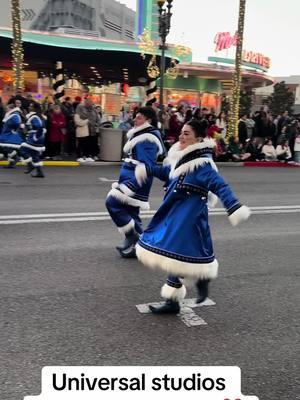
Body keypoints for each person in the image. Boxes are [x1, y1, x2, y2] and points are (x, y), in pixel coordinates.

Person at [134, 119, 251, 314]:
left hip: (190, 217)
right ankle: (173, 300)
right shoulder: (183, 158)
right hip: (174, 213)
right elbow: (169, 173)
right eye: (181, 132)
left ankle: (200, 279)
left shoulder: (202, 165)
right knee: (174, 253)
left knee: (175, 251)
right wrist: (148, 169)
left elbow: (220, 185)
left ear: (198, 139)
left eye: (187, 133)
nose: (181, 136)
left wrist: (234, 206)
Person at [105, 106, 164, 258]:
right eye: (135, 117)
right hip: (129, 177)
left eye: (139, 118)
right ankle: (140, 247)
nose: (135, 120)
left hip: (136, 180)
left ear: (148, 120)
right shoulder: (141, 133)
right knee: (131, 212)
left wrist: (134, 184)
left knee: (112, 202)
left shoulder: (148, 137)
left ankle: (133, 237)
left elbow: (147, 166)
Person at [21, 102, 46, 178]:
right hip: (38, 137)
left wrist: (35, 137)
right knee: (34, 154)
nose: (29, 107)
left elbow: (39, 127)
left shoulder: (34, 117)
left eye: (31, 106)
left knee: (22, 149)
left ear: (34, 108)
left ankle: (30, 165)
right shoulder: (37, 116)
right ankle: (40, 172)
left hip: (35, 137)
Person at [0, 103, 23, 168]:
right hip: (7, 134)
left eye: (7, 108)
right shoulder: (12, 114)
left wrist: (14, 129)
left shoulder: (14, 114)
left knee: (6, 147)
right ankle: (12, 162)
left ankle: (15, 158)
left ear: (11, 108)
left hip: (9, 134)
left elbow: (17, 122)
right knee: (7, 147)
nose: (6, 110)